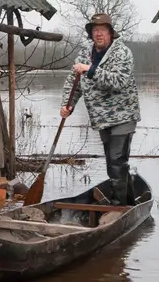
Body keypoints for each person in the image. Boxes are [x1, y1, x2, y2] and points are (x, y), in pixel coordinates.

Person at [60, 13, 141, 206]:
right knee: (114, 164)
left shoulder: (122, 53)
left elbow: (119, 81)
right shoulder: (84, 53)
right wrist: (67, 105)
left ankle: (118, 205)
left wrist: (91, 70)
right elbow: (74, 82)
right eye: (95, 30)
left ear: (111, 33)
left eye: (103, 30)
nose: (99, 34)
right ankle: (129, 202)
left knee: (116, 161)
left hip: (123, 115)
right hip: (101, 118)